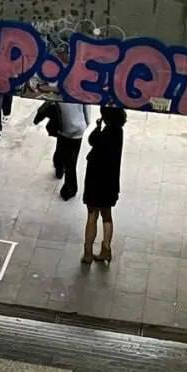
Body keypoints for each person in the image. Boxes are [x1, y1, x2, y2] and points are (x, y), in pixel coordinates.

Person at [81, 106, 126, 264]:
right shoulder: (118, 132)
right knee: (107, 216)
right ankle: (106, 249)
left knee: (92, 215)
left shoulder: (104, 134)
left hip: (95, 181)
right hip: (110, 182)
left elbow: (92, 140)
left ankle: (88, 251)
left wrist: (98, 127)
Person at [53, 102, 92, 200]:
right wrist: (85, 124)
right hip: (78, 129)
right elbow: (87, 110)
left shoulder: (59, 91)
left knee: (61, 148)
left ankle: (59, 168)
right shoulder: (81, 92)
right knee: (72, 160)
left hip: (63, 127)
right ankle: (70, 188)